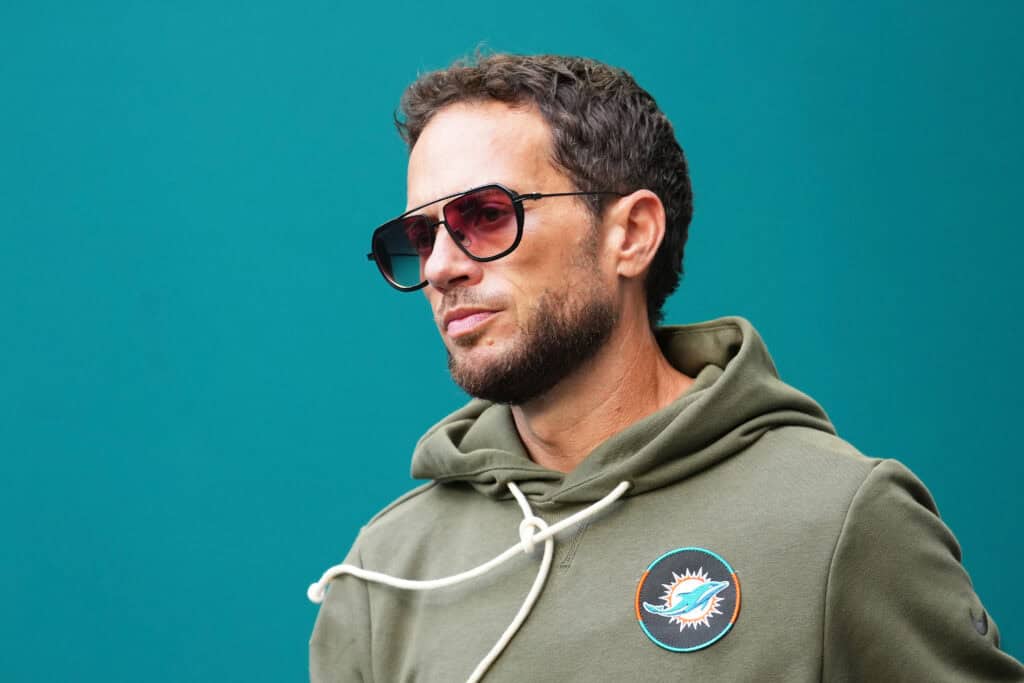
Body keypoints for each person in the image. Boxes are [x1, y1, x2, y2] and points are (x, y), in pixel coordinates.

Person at [307, 53, 1023, 682]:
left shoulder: (840, 521)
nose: (440, 267)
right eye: (420, 235)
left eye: (486, 215)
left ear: (632, 234)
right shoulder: (385, 570)